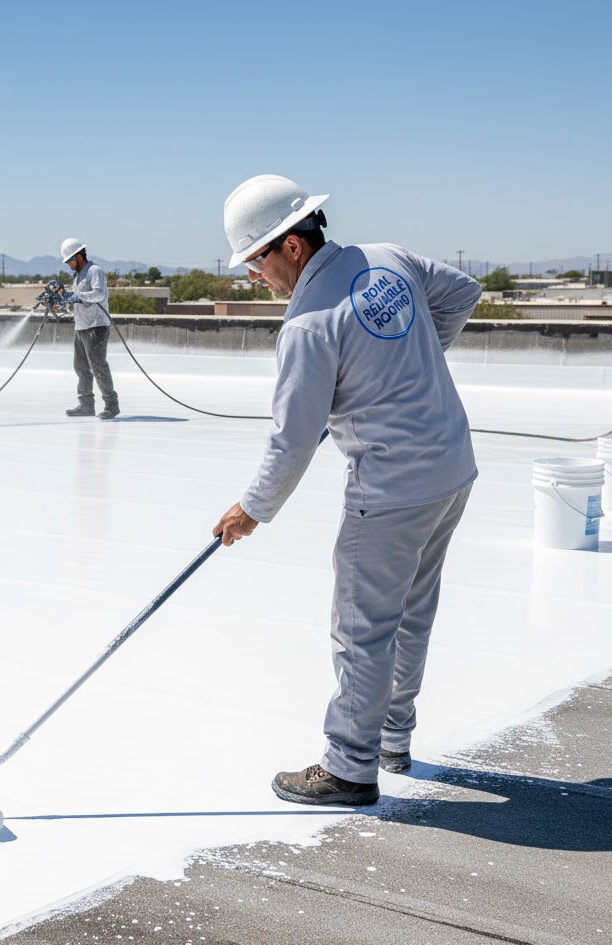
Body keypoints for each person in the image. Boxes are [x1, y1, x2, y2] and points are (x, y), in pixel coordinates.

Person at [213, 174, 481, 806]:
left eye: (255, 259)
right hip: (450, 470)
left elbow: (291, 442)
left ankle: (349, 768)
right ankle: (391, 739)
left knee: (363, 630)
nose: (253, 274)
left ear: (292, 246)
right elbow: (463, 292)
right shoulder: (388, 258)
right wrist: (406, 366)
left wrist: (251, 510)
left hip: (390, 490)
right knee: (411, 614)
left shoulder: (307, 325)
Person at [60, 237, 120, 420]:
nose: (69, 264)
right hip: (81, 327)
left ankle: (111, 405)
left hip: (96, 326)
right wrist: (66, 299)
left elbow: (99, 293)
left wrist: (78, 297)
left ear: (78, 257)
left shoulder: (95, 271)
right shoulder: (77, 276)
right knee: (81, 367)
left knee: (98, 366)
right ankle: (86, 405)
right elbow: (78, 299)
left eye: (70, 260)